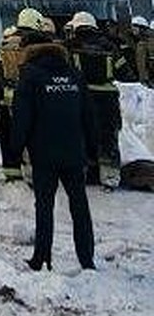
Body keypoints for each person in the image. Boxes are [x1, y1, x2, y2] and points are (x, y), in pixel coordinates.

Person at [10, 26, 96, 271]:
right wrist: (92, 147)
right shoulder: (74, 75)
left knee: (44, 205)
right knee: (79, 205)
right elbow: (88, 114)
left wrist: (15, 149)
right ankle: (86, 257)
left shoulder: (30, 76)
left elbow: (22, 117)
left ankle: (42, 256)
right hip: (73, 151)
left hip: (43, 153)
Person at [65, 11, 128, 189]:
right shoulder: (109, 46)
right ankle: (110, 178)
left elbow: (65, 70)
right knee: (108, 136)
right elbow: (124, 72)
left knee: (81, 134)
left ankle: (84, 174)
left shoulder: (71, 46)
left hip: (81, 96)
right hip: (107, 98)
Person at [0, 19, 31, 182]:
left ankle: (12, 172)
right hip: (25, 101)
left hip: (5, 104)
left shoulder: (2, 53)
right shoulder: (27, 51)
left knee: (7, 136)